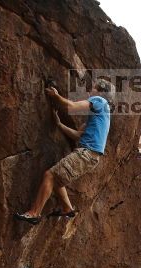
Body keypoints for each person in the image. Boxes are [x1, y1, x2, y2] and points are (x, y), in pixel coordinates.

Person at [14, 78, 114, 224]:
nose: (89, 91)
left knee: (50, 175)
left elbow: (72, 106)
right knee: (58, 178)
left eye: (92, 88)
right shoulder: (102, 115)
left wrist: (55, 96)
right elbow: (78, 135)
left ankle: (34, 213)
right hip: (91, 157)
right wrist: (59, 124)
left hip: (86, 154)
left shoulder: (99, 101)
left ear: (100, 92)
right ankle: (67, 209)